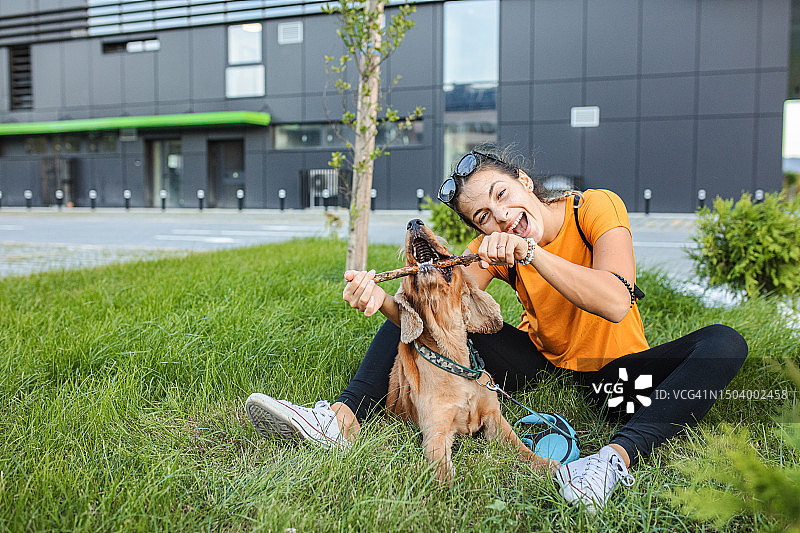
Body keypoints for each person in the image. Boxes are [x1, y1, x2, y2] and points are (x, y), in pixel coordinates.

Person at [246, 146, 748, 513]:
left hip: (614, 376)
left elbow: (616, 300)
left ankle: (608, 463)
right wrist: (381, 300)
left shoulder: (593, 208)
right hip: (542, 364)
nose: (503, 217)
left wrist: (532, 254)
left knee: (724, 341)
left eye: (502, 195)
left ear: (525, 181)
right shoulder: (496, 245)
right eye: (485, 217)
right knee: (429, 293)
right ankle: (341, 419)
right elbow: (437, 309)